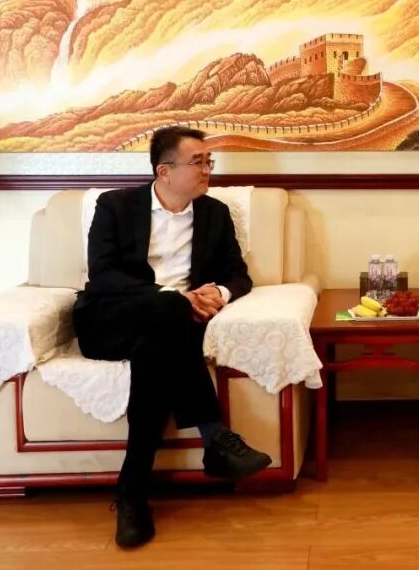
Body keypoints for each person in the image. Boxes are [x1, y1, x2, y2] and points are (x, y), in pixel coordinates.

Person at [73, 126, 271, 548]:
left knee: (157, 348)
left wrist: (220, 293)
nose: (207, 169)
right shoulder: (115, 206)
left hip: (169, 328)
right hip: (111, 320)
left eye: (209, 161)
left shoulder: (214, 214)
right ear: (164, 171)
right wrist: (173, 296)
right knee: (169, 309)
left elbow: (238, 275)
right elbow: (103, 276)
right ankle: (215, 436)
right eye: (198, 162)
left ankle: (132, 494)